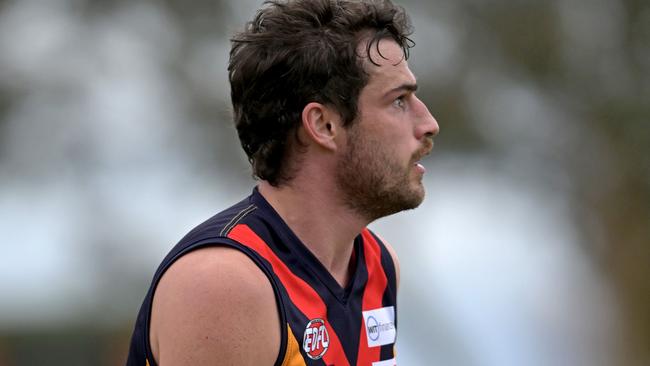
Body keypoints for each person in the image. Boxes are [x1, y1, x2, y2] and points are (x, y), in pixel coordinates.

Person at [126, 0, 438, 364]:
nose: (428, 123)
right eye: (399, 101)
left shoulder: (379, 266)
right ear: (323, 126)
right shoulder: (225, 283)